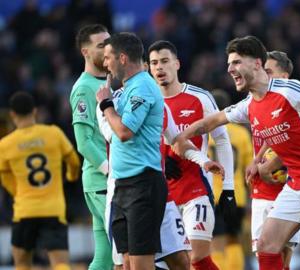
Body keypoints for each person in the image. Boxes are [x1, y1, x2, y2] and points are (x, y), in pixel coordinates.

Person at [175, 35, 300, 270]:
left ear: (257, 63)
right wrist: (181, 137)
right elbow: (212, 121)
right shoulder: (248, 104)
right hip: (296, 185)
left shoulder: (290, 90)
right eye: (228, 64)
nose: (229, 69)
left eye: (236, 62)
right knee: (266, 246)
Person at [148, 40, 235, 270]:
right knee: (170, 263)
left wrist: (228, 188)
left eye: (165, 61)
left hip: (196, 190)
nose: (159, 68)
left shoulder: (199, 97)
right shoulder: (147, 102)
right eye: (154, 63)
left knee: (196, 258)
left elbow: (223, 139)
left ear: (177, 64)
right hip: (161, 196)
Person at [96, 32, 167, 270]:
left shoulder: (143, 87)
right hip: (122, 186)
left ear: (123, 58)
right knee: (125, 263)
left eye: (108, 58)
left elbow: (125, 132)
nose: (105, 64)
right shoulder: (128, 88)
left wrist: (106, 105)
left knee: (141, 264)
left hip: (143, 184)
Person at [0, 92, 80, 270]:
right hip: (53, 209)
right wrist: (70, 177)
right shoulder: (53, 133)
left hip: (24, 210)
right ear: (34, 111)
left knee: (22, 263)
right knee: (60, 263)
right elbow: (73, 161)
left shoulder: (5, 144)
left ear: (12, 114)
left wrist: (17, 191)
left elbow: (3, 175)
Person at [248, 50, 300, 270]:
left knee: (284, 257)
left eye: (269, 72)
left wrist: (270, 164)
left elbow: (293, 141)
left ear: (285, 77)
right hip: (262, 189)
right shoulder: (253, 100)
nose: (265, 77)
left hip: (291, 188)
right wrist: (256, 161)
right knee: (266, 256)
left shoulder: (298, 101)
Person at [69, 23, 113, 270]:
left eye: (108, 43)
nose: (107, 48)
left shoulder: (106, 82)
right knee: (123, 249)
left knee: (105, 256)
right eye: (100, 45)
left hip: (104, 181)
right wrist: (110, 171)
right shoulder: (84, 88)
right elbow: (84, 142)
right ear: (85, 52)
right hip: (101, 181)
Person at [208, 89, 250, 270]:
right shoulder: (241, 133)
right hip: (237, 195)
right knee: (234, 241)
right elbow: (249, 166)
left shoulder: (208, 133)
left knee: (216, 243)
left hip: (215, 195)